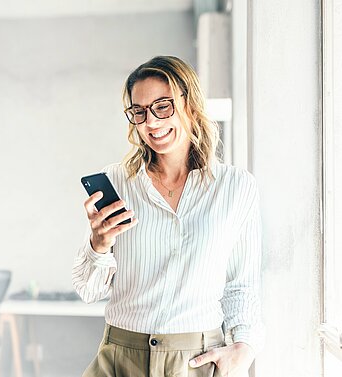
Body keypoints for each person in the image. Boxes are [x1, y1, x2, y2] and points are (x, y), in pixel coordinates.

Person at [72, 56, 263, 377]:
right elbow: (88, 291)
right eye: (139, 112)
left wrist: (244, 348)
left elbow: (241, 285)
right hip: (120, 356)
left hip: (195, 360)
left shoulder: (235, 186)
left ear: (191, 104)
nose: (151, 122)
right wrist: (98, 244)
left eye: (163, 106)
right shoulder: (118, 182)